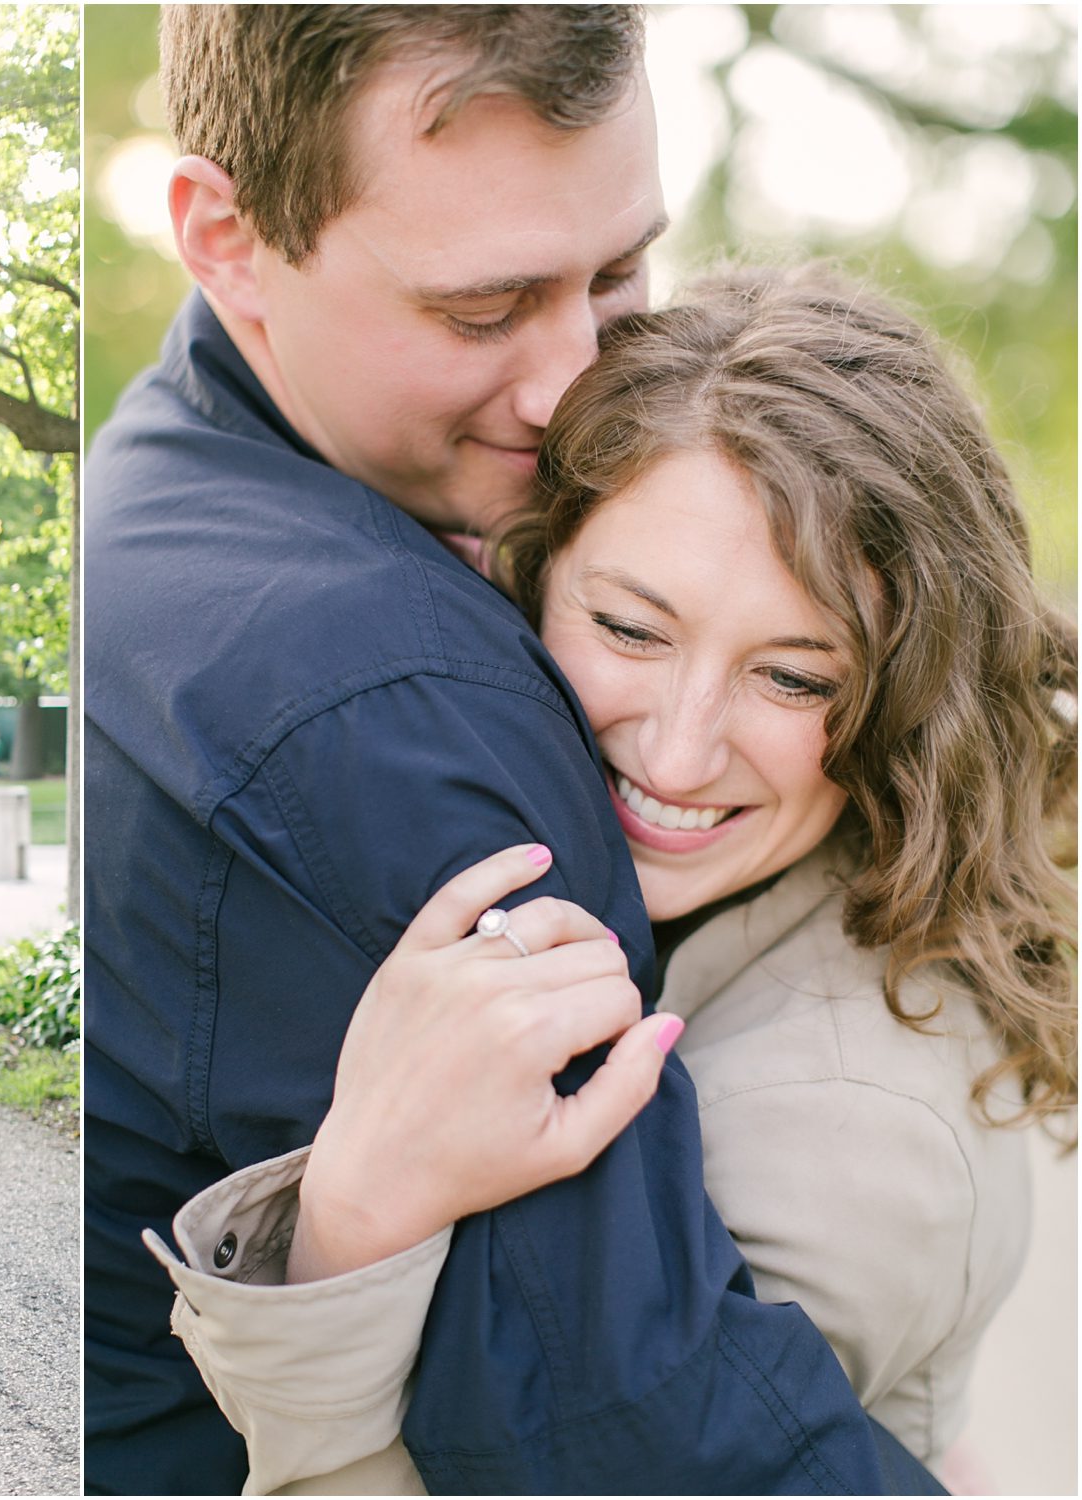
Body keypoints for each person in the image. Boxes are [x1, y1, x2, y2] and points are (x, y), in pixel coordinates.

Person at [84, 6, 942, 1492]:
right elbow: (646, 1442)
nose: (571, 390)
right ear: (223, 235)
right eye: (484, 311)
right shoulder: (402, 708)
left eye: (617, 274)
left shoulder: (160, 469)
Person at [148, 267, 1078, 1492]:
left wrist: (350, 1222)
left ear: (907, 697)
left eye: (794, 678)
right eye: (631, 630)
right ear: (524, 572)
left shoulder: (852, 1138)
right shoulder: (744, 905)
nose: (679, 750)